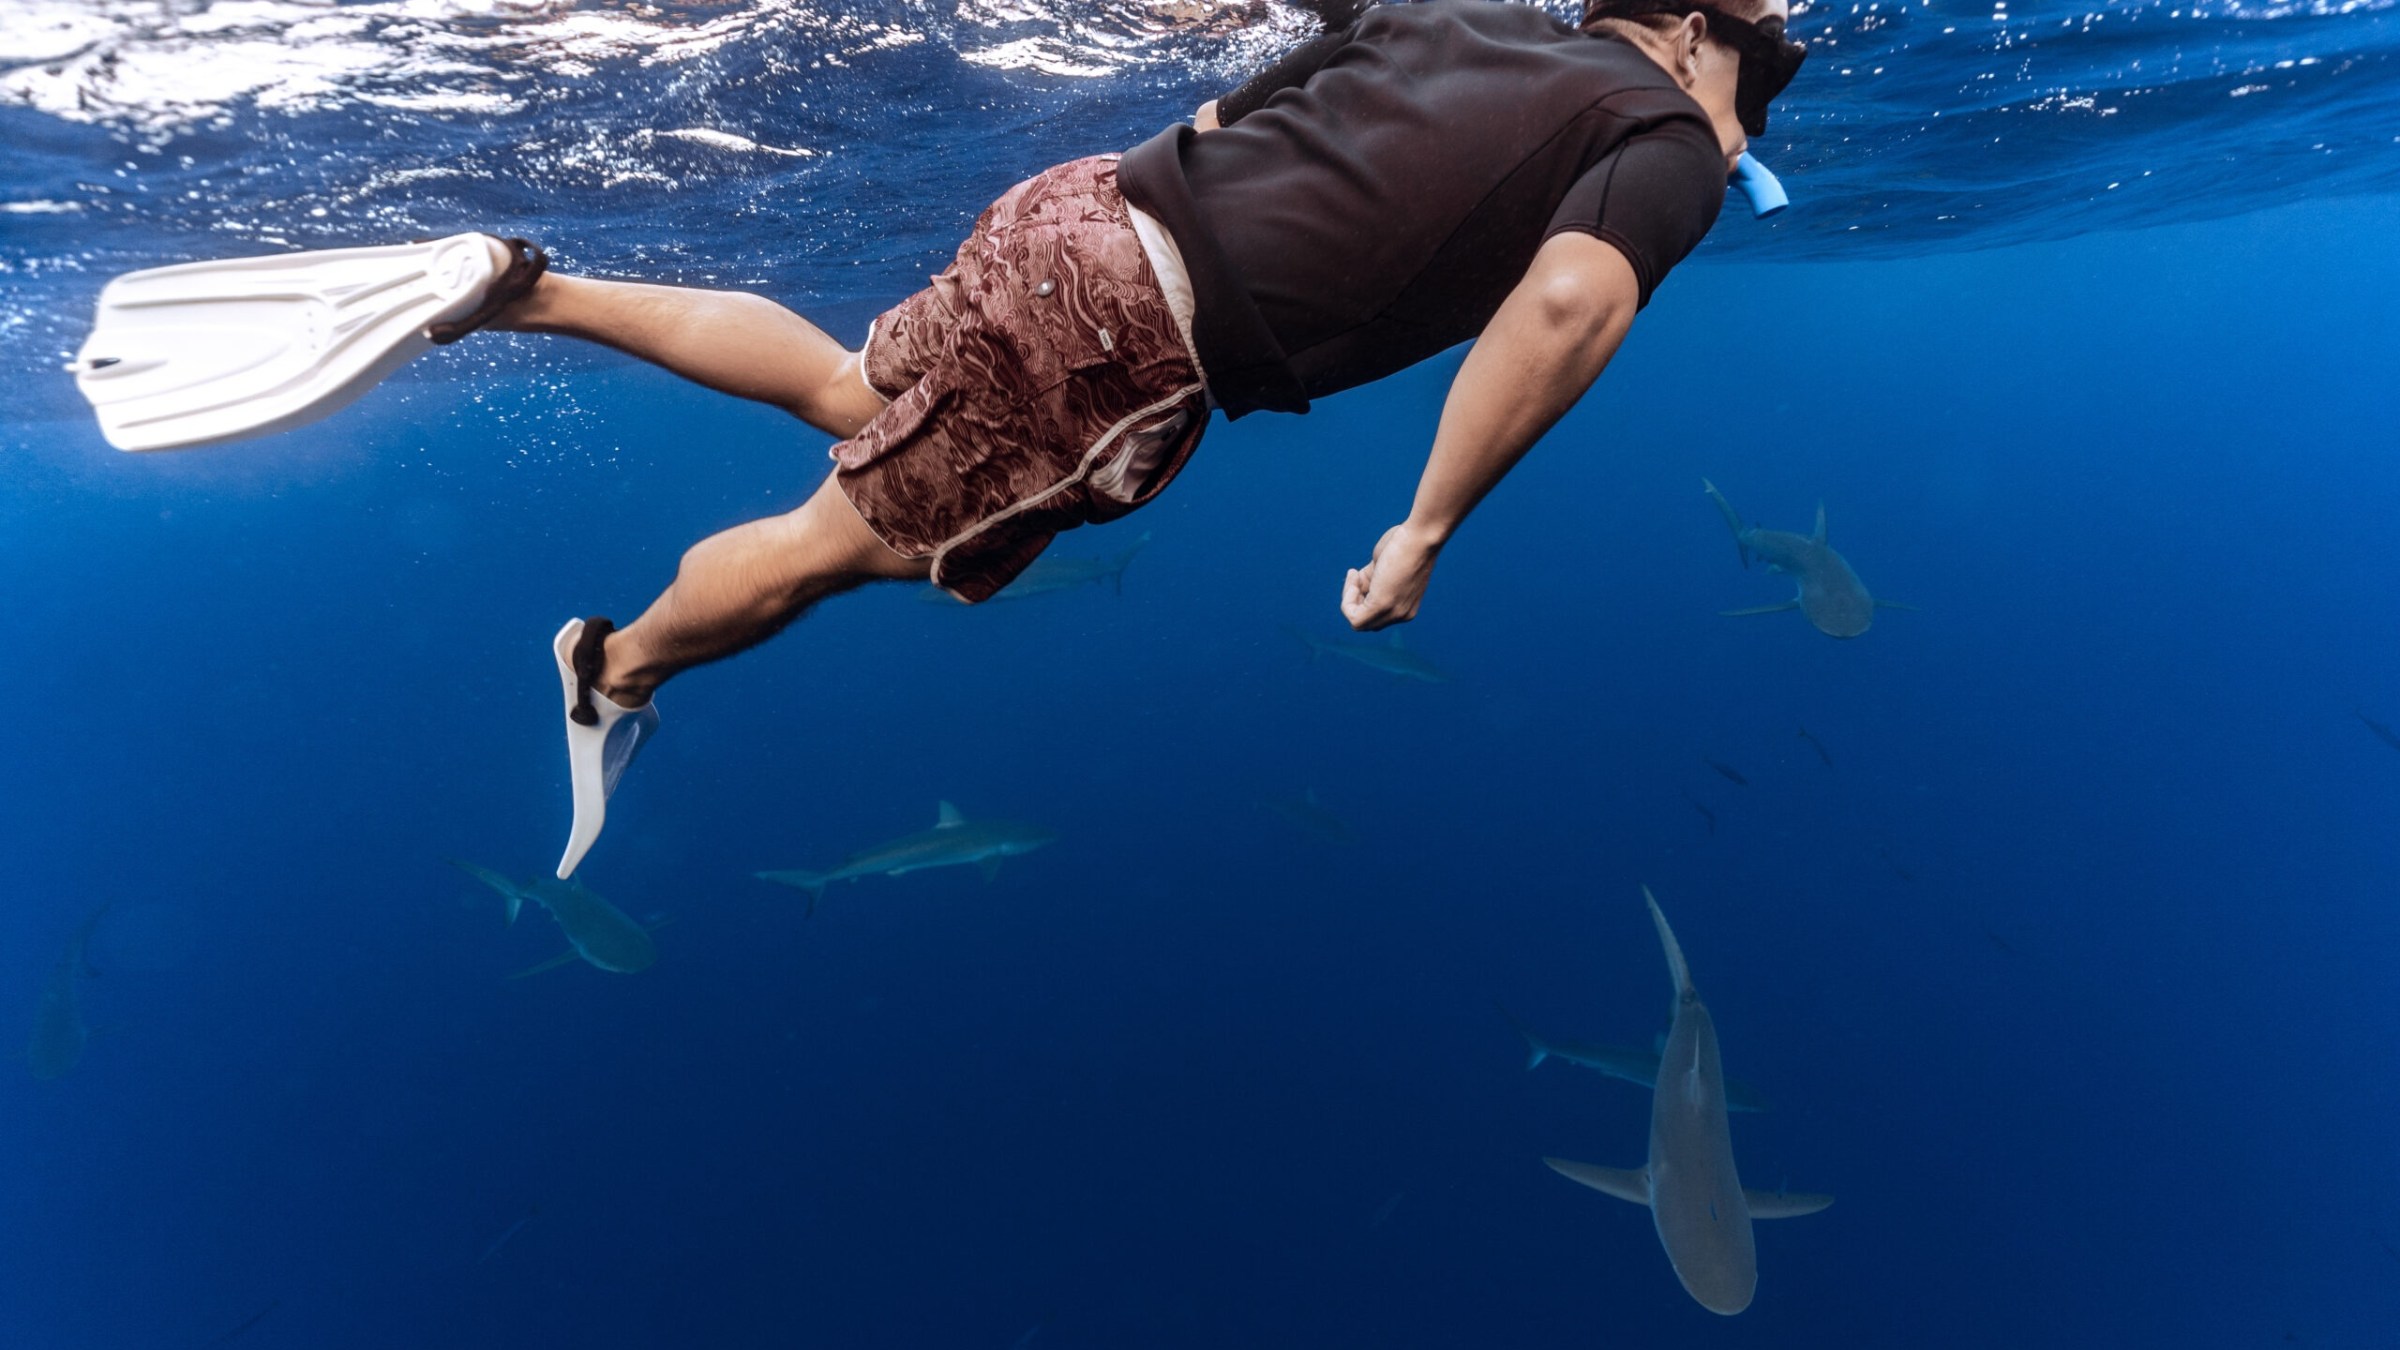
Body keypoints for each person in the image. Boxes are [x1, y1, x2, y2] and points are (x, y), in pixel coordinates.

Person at [502, 0, 1807, 874]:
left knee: (858, 386)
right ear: (1691, 34)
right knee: (838, 547)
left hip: (1082, 208)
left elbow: (1238, 121)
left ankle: (527, 288)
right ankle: (612, 672)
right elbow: (1572, 300)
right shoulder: (1667, 138)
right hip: (1136, 334)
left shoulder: (1463, 19)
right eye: (1773, 32)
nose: (1785, 39)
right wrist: (1423, 529)